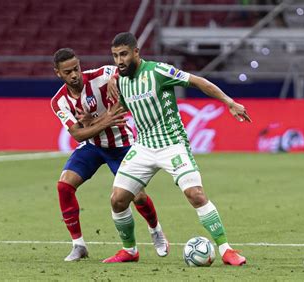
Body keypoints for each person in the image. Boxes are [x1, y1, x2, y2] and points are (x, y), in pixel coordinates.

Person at [102, 33, 252, 266]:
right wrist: (94, 121)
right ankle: (130, 250)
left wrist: (229, 101)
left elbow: (198, 82)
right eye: (115, 56)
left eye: (123, 54)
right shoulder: (120, 80)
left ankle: (226, 249)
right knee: (118, 200)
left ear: (136, 52)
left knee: (196, 194)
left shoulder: (158, 71)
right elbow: (121, 106)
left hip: (172, 144)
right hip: (143, 146)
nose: (119, 60)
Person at [50, 48, 169, 262]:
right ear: (58, 73)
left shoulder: (99, 76)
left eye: (76, 68)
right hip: (92, 146)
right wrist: (103, 120)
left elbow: (126, 69)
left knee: (137, 195)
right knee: (64, 186)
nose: (74, 75)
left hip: (121, 144)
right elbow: (77, 134)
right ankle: (78, 245)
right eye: (68, 72)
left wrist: (115, 77)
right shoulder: (59, 101)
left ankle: (156, 230)